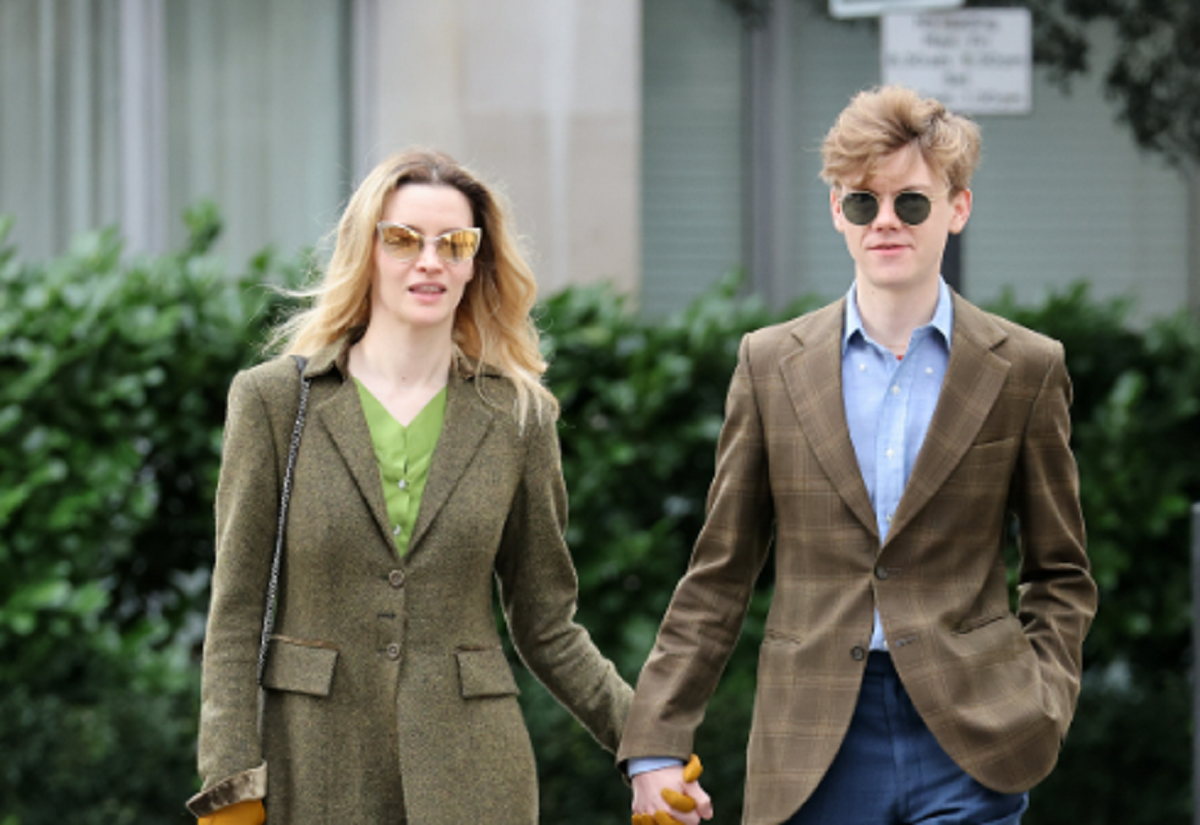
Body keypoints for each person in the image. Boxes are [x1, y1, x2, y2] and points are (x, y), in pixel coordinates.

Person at [619, 85, 1097, 825]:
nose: (885, 222)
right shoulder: (770, 364)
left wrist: (1042, 700)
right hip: (813, 742)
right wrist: (655, 740)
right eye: (862, 202)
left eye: (911, 202)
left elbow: (1060, 572)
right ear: (836, 211)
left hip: (973, 732)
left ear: (957, 209)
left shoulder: (1025, 368)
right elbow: (720, 572)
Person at [186, 148, 633, 824]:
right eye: (402, 239)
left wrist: (647, 743)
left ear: (477, 262)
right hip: (313, 767)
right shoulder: (274, 402)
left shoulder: (518, 417)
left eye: (455, 243)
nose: (430, 261)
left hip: (474, 777)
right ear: (365, 251)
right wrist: (228, 780)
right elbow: (236, 613)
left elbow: (548, 624)